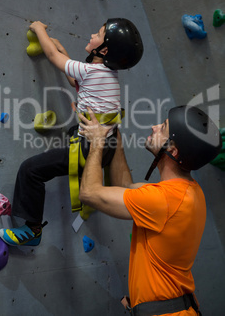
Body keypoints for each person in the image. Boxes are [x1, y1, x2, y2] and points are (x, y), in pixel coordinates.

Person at [0, 18, 143, 246]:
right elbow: (77, 80)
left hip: (88, 147)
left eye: (97, 33)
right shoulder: (108, 76)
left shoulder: (91, 71)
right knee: (66, 140)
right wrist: (63, 49)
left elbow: (54, 59)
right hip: (107, 145)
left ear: (104, 49)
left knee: (30, 170)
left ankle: (33, 230)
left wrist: (39, 29)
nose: (91, 35)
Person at [78, 105, 222, 315]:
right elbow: (127, 187)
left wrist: (97, 142)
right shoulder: (188, 191)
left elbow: (89, 192)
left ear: (172, 150)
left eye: (162, 127)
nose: (154, 127)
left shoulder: (162, 200)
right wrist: (114, 135)